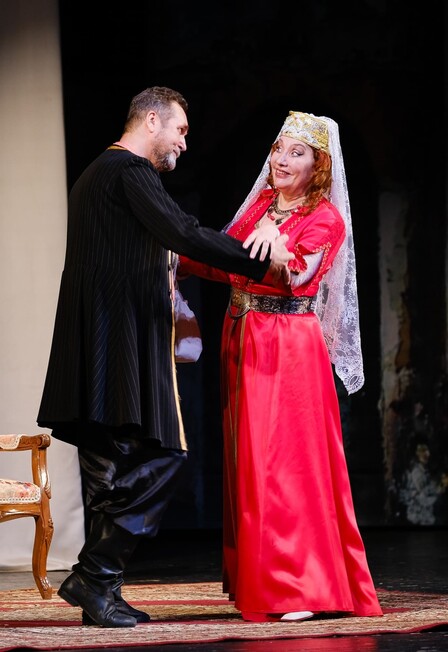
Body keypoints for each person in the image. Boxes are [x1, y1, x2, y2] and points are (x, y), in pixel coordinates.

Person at [36, 86, 293, 628]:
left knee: (112, 468)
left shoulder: (99, 172)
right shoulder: (129, 170)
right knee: (165, 454)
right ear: (151, 120)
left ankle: (101, 591)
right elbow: (180, 231)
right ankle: (94, 574)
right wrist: (259, 260)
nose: (183, 142)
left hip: (100, 342)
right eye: (180, 130)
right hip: (117, 344)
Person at [177, 111, 384, 621]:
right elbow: (225, 261)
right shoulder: (262, 207)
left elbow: (298, 277)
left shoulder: (325, 218)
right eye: (278, 150)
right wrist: (177, 256)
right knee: (250, 460)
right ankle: (263, 580)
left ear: (318, 166)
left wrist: (276, 249)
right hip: (244, 336)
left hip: (288, 346)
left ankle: (300, 585)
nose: (282, 160)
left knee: (288, 462)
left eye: (297, 153)